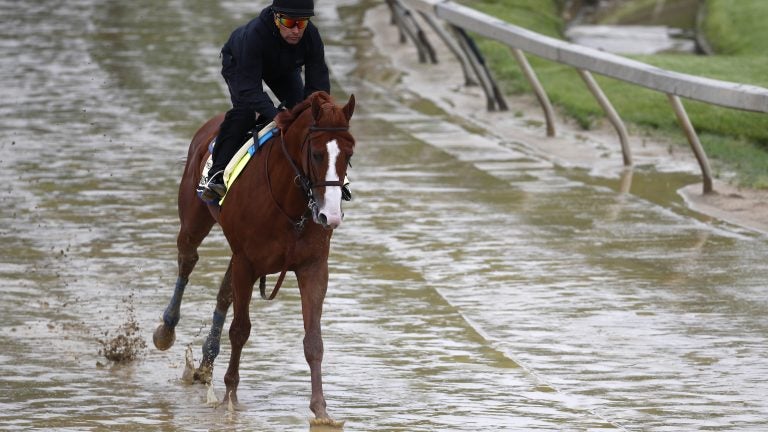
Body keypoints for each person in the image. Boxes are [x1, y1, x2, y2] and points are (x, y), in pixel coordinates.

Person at [200, 0, 330, 202]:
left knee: (303, 113)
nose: (296, 30)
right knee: (245, 112)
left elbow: (318, 85)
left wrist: (318, 114)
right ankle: (216, 174)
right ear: (276, 18)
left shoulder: (311, 35)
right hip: (240, 63)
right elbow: (249, 90)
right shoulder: (255, 35)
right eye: (289, 22)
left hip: (283, 68)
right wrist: (275, 115)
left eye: (302, 23)